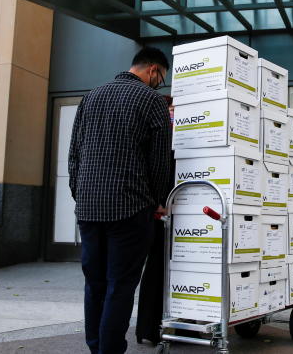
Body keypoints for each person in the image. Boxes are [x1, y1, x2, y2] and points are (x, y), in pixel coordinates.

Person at [68, 47, 171, 354]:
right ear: (153, 70)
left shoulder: (92, 96)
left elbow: (74, 154)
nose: (159, 84)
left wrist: (81, 194)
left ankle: (96, 345)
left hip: (89, 208)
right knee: (121, 284)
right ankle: (110, 349)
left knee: (95, 283)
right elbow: (159, 162)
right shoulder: (152, 101)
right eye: (161, 78)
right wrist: (158, 200)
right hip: (130, 207)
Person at [135, 95, 175, 345]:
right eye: (170, 110)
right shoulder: (162, 135)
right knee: (157, 266)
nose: (172, 114)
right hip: (160, 211)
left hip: (165, 209)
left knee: (160, 268)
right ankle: (150, 327)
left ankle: (151, 327)